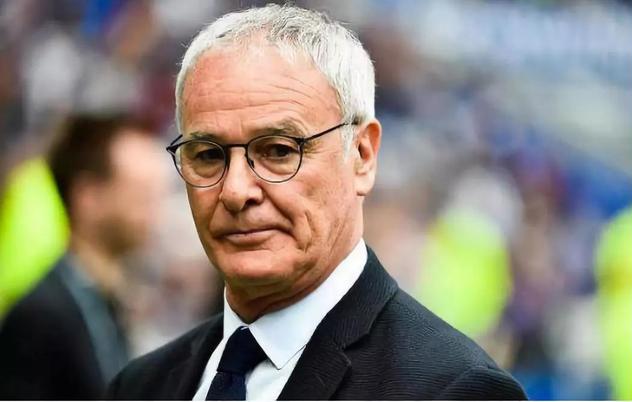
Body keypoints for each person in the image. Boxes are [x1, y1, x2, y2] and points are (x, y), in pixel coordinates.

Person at [107, 5, 527, 400]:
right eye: (208, 155)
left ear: (362, 155)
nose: (235, 191)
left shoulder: (453, 389)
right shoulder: (140, 386)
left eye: (278, 151)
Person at [0, 113, 167, 399]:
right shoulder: (41, 316)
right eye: (140, 193)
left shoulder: (103, 300)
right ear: (87, 196)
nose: (154, 210)